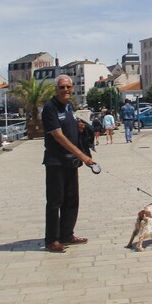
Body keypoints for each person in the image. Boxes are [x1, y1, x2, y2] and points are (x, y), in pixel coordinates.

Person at [41, 75, 95, 253]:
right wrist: (84, 157)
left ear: (73, 89)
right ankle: (51, 240)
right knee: (55, 201)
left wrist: (79, 129)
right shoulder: (50, 108)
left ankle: (66, 234)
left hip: (71, 162)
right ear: (56, 89)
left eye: (68, 87)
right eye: (62, 87)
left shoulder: (69, 106)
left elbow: (69, 129)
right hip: (56, 161)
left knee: (72, 200)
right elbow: (58, 136)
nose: (65, 90)